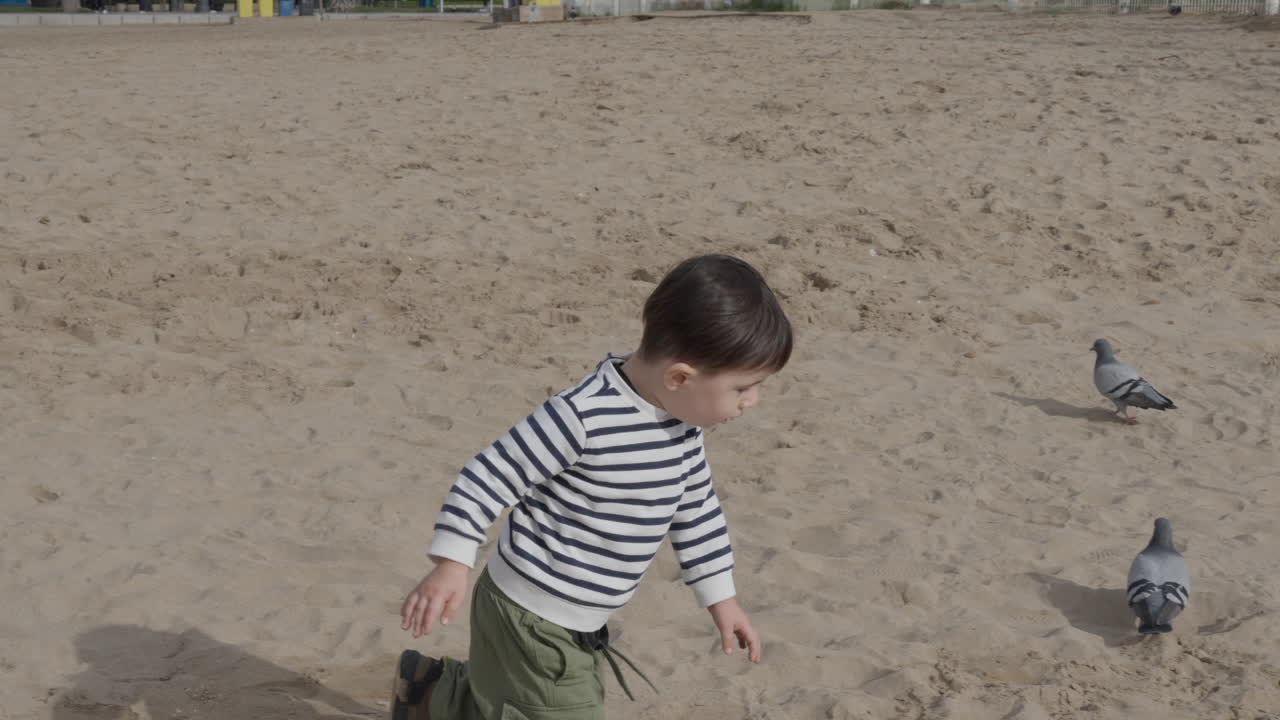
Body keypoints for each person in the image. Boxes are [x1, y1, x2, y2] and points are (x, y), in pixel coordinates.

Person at [392, 254, 794, 720]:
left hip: (579, 618)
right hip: (532, 616)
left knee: (508, 701)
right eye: (743, 388)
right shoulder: (582, 417)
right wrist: (451, 563)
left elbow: (697, 509)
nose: (753, 401)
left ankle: (427, 692)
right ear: (680, 377)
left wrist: (721, 598)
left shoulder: (681, 423)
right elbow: (490, 474)